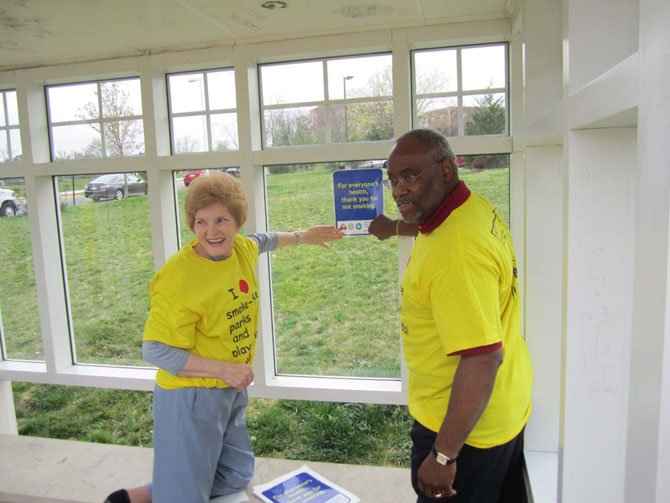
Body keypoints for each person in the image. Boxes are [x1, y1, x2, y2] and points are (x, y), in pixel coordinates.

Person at [104, 170, 343, 503]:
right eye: (201, 222)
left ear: (237, 221)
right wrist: (225, 369)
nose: (211, 232)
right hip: (190, 396)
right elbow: (155, 349)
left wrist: (303, 236)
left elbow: (265, 240)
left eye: (221, 220)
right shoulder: (178, 278)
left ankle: (153, 493)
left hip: (228, 390)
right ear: (192, 224)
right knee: (186, 495)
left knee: (234, 475)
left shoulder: (241, 249)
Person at [373, 129, 533, 502]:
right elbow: (439, 229)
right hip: (500, 408)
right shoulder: (472, 209)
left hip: (463, 433)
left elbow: (481, 358)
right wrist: (395, 227)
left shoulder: (455, 258)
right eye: (393, 179)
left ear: (447, 169)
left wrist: (443, 455)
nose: (398, 190)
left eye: (410, 176)